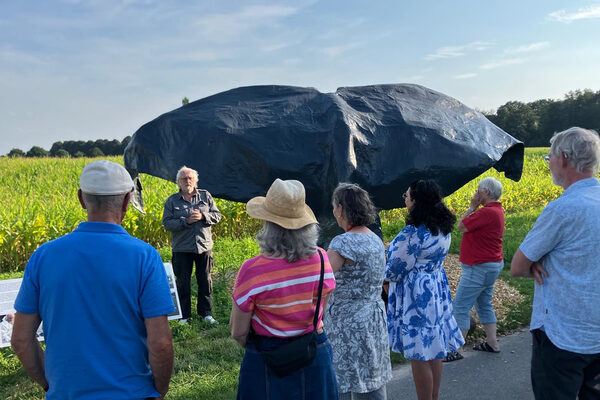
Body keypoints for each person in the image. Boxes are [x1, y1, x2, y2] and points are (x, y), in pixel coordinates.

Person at [11, 160, 175, 399]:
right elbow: (160, 342)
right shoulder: (144, 256)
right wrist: (160, 389)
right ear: (127, 201)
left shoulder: (44, 256)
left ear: (81, 198)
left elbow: (20, 339)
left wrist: (50, 385)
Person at [511, 127, 600, 399]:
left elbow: (517, 266)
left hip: (563, 334)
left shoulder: (562, 209)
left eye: (548, 157)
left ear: (563, 158)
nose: (548, 163)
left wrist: (538, 260)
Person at [230, 178, 338, 399]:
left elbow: (238, 332)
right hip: (313, 351)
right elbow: (320, 310)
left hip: (268, 356)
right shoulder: (321, 258)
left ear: (268, 226)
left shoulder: (252, 270)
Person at [385, 179, 464, 400]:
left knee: (419, 353)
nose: (405, 200)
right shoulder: (442, 228)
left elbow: (396, 268)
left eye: (407, 196)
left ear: (417, 201)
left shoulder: (414, 233)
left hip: (416, 296)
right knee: (434, 348)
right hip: (436, 290)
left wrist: (383, 277)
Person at [326, 183, 392, 399]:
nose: (334, 211)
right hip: (373, 318)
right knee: (372, 379)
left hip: (348, 322)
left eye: (335, 206)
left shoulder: (343, 243)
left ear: (342, 209)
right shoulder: (374, 239)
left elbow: (322, 279)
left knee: (343, 381)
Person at [446, 177, 505, 362]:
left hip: (478, 267)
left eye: (478, 190)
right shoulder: (497, 211)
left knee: (460, 306)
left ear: (486, 192)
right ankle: (492, 342)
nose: (476, 193)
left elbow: (461, 226)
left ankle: (456, 348)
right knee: (484, 304)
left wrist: (472, 206)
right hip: (491, 264)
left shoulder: (486, 212)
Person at [163, 166, 222, 324]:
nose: (187, 181)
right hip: (182, 248)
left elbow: (217, 215)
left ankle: (206, 314)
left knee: (205, 280)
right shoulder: (172, 201)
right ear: (178, 182)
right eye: (183, 178)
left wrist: (203, 215)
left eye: (190, 178)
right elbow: (167, 223)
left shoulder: (205, 195)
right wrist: (186, 221)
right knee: (183, 282)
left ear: (195, 180)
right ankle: (184, 316)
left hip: (204, 246)